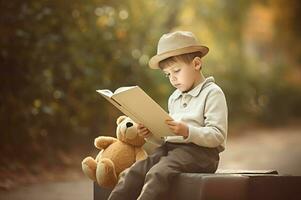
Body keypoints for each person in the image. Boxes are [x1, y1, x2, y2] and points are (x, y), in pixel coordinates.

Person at [108, 31, 228, 200]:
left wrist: (188, 131)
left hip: (201, 154)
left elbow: (217, 136)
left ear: (197, 64)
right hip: (170, 149)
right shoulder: (175, 97)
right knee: (134, 172)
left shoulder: (212, 93)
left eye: (176, 71)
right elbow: (169, 137)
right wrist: (151, 134)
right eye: (168, 74)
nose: (172, 79)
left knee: (157, 173)